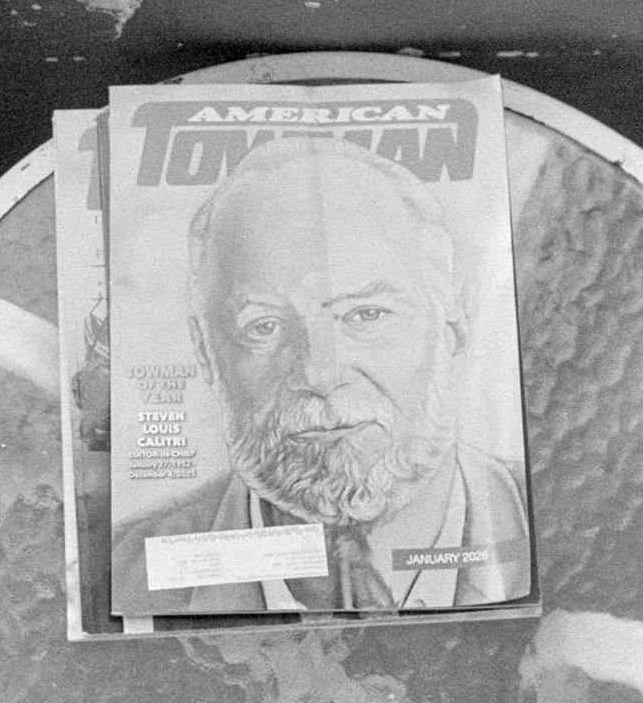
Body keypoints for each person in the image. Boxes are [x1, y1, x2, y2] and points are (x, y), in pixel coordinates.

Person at [111, 134, 529, 616]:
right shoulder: (128, 572)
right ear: (206, 352)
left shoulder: (564, 521)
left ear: (455, 324)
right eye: (264, 326)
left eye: (366, 314)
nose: (321, 374)